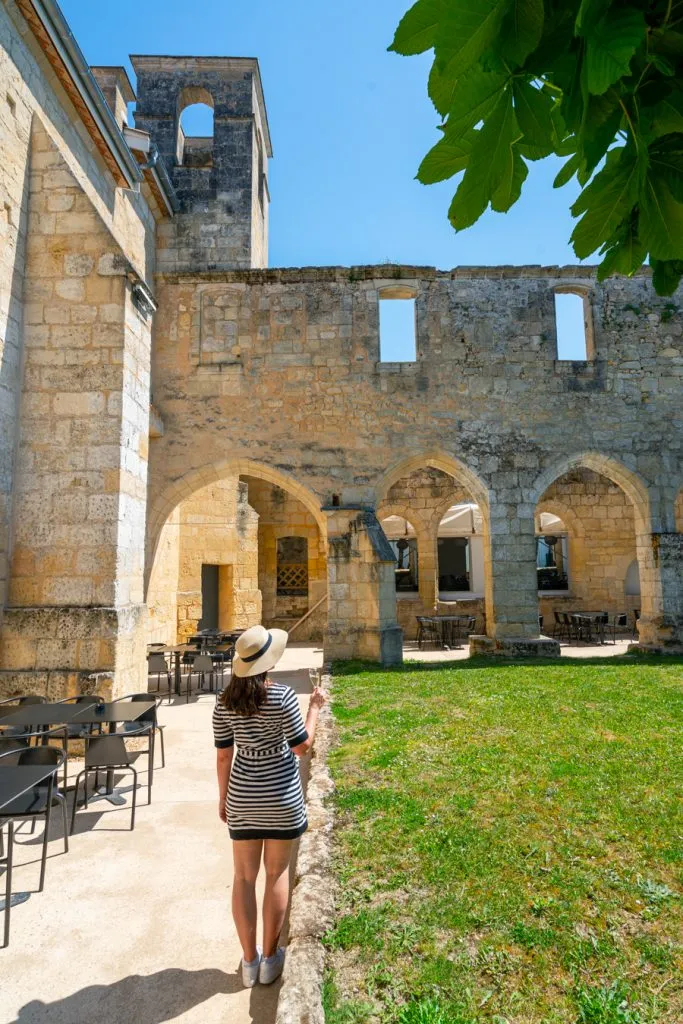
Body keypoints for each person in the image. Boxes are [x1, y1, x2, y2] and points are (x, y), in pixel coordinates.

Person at [213, 624, 326, 987]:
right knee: (276, 874)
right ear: (268, 663)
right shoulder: (283, 697)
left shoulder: (223, 702)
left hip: (243, 796)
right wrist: (315, 708)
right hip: (281, 797)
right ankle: (270, 957)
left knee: (244, 878)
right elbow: (301, 746)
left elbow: (223, 756)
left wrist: (223, 797)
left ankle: (249, 962)